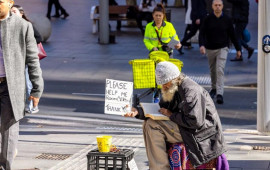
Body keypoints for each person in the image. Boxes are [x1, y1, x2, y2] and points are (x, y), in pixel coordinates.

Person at [124, 61, 227, 170]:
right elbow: (162, 107)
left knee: (153, 126)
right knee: (148, 123)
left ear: (174, 79)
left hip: (200, 134)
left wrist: (171, 115)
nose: (163, 87)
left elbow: (195, 121)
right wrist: (138, 112)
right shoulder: (173, 87)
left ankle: (160, 168)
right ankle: (158, 167)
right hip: (187, 127)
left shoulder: (191, 91)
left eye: (165, 84)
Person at [0, 0, 44, 169]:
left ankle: (5, 166)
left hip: (11, 87)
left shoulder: (22, 26)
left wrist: (37, 89)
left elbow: (33, 59)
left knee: (8, 130)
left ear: (11, 3)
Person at [199, 0, 241, 104]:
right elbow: (202, 33)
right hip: (210, 48)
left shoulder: (227, 19)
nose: (217, 7)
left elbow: (232, 34)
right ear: (212, 6)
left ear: (222, 6)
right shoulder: (207, 19)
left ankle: (219, 94)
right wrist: (202, 45)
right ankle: (213, 89)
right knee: (213, 70)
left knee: (219, 70)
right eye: (215, 5)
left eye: (219, 5)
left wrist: (238, 49)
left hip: (222, 48)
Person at [11, 5, 43, 114]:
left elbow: (39, 37)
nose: (12, 14)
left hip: (25, 60)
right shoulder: (8, 26)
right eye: (11, 12)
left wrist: (27, 45)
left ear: (21, 13)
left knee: (28, 83)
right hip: (13, 61)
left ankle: (32, 106)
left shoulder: (27, 26)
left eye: (14, 11)